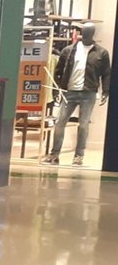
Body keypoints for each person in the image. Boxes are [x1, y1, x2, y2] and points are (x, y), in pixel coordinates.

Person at [47, 22, 112, 166]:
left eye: (90, 31)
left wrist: (106, 91)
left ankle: (79, 156)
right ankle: (54, 154)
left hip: (89, 93)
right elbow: (58, 71)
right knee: (60, 122)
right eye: (85, 31)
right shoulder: (68, 50)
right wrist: (57, 89)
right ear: (82, 32)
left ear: (93, 33)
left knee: (83, 124)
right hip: (69, 92)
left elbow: (106, 73)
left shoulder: (101, 53)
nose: (87, 34)